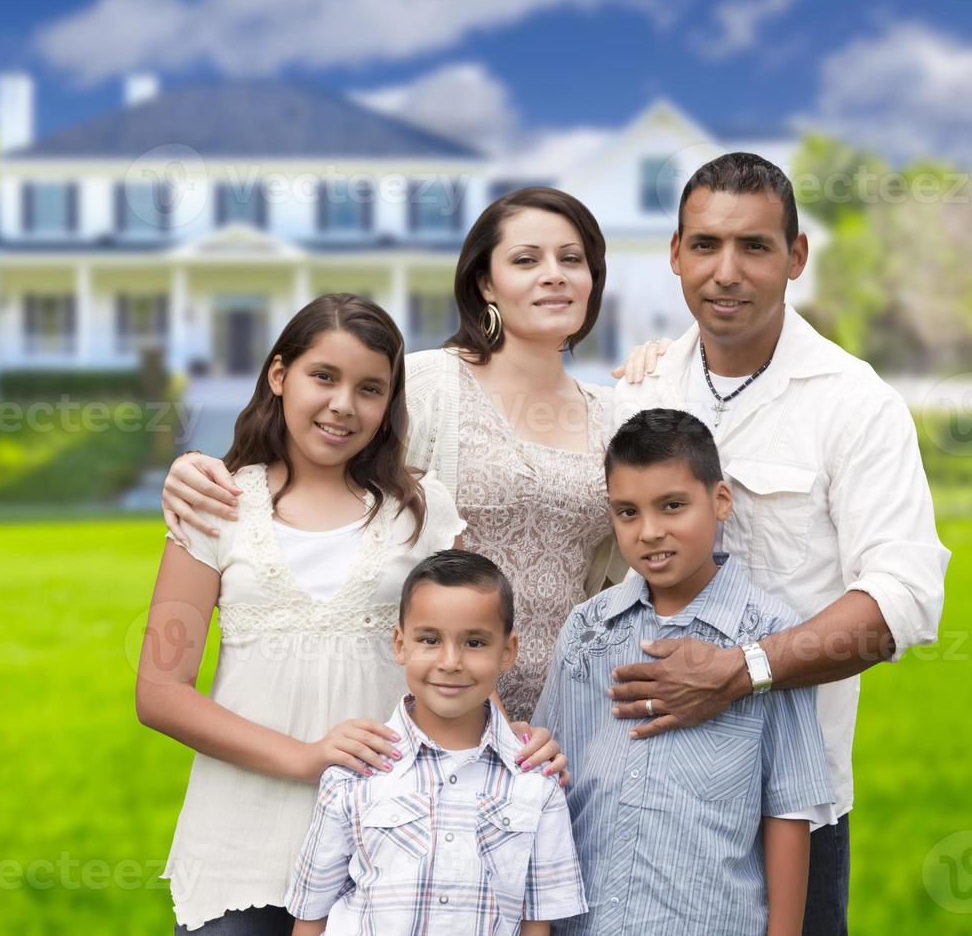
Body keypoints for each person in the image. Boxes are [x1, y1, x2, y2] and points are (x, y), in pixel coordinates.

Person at [136, 294, 563, 934]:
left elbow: (457, 657)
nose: (343, 405)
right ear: (279, 376)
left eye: (370, 389)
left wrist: (521, 749)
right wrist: (306, 756)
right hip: (240, 845)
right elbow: (159, 693)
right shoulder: (218, 502)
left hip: (389, 851)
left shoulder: (419, 510)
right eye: (324, 377)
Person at [604, 153, 950, 934]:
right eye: (705, 245)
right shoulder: (640, 392)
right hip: (640, 792)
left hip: (789, 804)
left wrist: (740, 672)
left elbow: (905, 598)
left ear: (796, 257)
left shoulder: (855, 404)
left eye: (754, 247)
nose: (726, 272)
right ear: (675, 254)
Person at [162, 187, 622, 724]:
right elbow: (320, 459)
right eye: (526, 260)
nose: (554, 275)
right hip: (425, 710)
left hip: (572, 711)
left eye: (572, 259)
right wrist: (198, 466)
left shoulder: (619, 413)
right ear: (485, 283)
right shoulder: (427, 385)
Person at [534, 408, 834, 935]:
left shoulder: (771, 637)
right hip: (586, 920)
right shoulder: (587, 629)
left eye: (672, 506)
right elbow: (545, 784)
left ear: (720, 501)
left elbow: (787, 809)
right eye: (627, 512)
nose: (649, 532)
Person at [286, 550, 587, 935]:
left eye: (475, 643)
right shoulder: (354, 774)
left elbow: (536, 924)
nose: (450, 662)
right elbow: (311, 915)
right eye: (429, 639)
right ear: (400, 645)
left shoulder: (537, 782)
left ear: (507, 651)